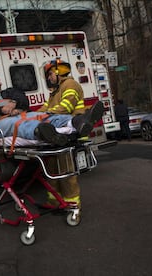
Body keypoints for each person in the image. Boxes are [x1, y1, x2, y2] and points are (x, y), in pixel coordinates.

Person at [38, 59, 105, 210]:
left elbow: (66, 107)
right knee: (53, 171)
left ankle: (73, 205)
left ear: (57, 72)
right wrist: (31, 115)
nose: (49, 78)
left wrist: (45, 115)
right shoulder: (55, 90)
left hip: (69, 134)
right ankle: (54, 202)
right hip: (56, 136)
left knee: (66, 172)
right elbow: (45, 107)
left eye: (49, 74)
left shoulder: (70, 85)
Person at [0, 71, 102, 146]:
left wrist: (14, 104)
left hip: (20, 114)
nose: (1, 83)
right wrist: (0, 110)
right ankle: (44, 132)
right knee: (24, 124)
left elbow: (22, 99)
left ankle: (77, 122)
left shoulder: (8, 93)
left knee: (46, 115)